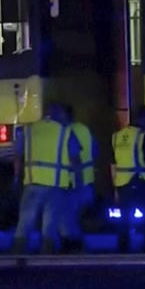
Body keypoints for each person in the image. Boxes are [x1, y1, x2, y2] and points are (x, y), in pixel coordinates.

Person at [12, 102, 82, 254]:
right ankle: (46, 257)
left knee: (25, 222)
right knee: (49, 224)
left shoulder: (29, 130)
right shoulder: (65, 132)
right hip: (55, 185)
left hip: (32, 183)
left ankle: (16, 255)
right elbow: (75, 160)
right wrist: (77, 183)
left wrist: (17, 177)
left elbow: (17, 155)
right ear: (59, 114)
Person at [111, 105, 145, 253]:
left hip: (122, 182)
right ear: (142, 118)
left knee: (124, 218)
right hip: (141, 181)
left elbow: (113, 164)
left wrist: (115, 185)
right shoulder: (144, 137)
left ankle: (123, 248)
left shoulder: (117, 136)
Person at [58, 104, 98, 253]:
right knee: (76, 219)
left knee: (69, 220)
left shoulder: (65, 132)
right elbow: (95, 152)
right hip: (87, 181)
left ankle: (75, 248)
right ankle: (79, 248)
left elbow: (74, 160)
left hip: (73, 182)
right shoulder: (85, 129)